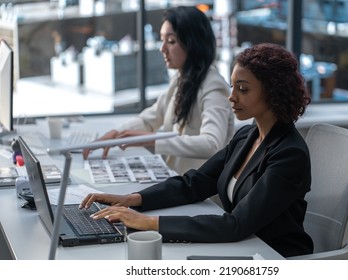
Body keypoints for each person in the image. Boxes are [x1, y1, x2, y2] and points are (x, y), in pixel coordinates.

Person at [80, 43, 314, 258]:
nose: (232, 97)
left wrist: (149, 222)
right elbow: (194, 183)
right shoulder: (246, 136)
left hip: (273, 255)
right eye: (233, 87)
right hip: (244, 245)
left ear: (273, 92)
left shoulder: (289, 154)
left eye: (243, 89)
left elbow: (236, 225)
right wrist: (131, 200)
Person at [82, 6, 234, 175]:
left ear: (193, 43)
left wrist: (150, 141)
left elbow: (212, 144)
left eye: (171, 41)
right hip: (178, 181)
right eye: (162, 40)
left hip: (201, 193)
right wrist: (116, 134)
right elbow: (151, 118)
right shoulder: (181, 79)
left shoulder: (213, 86)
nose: (162, 49)